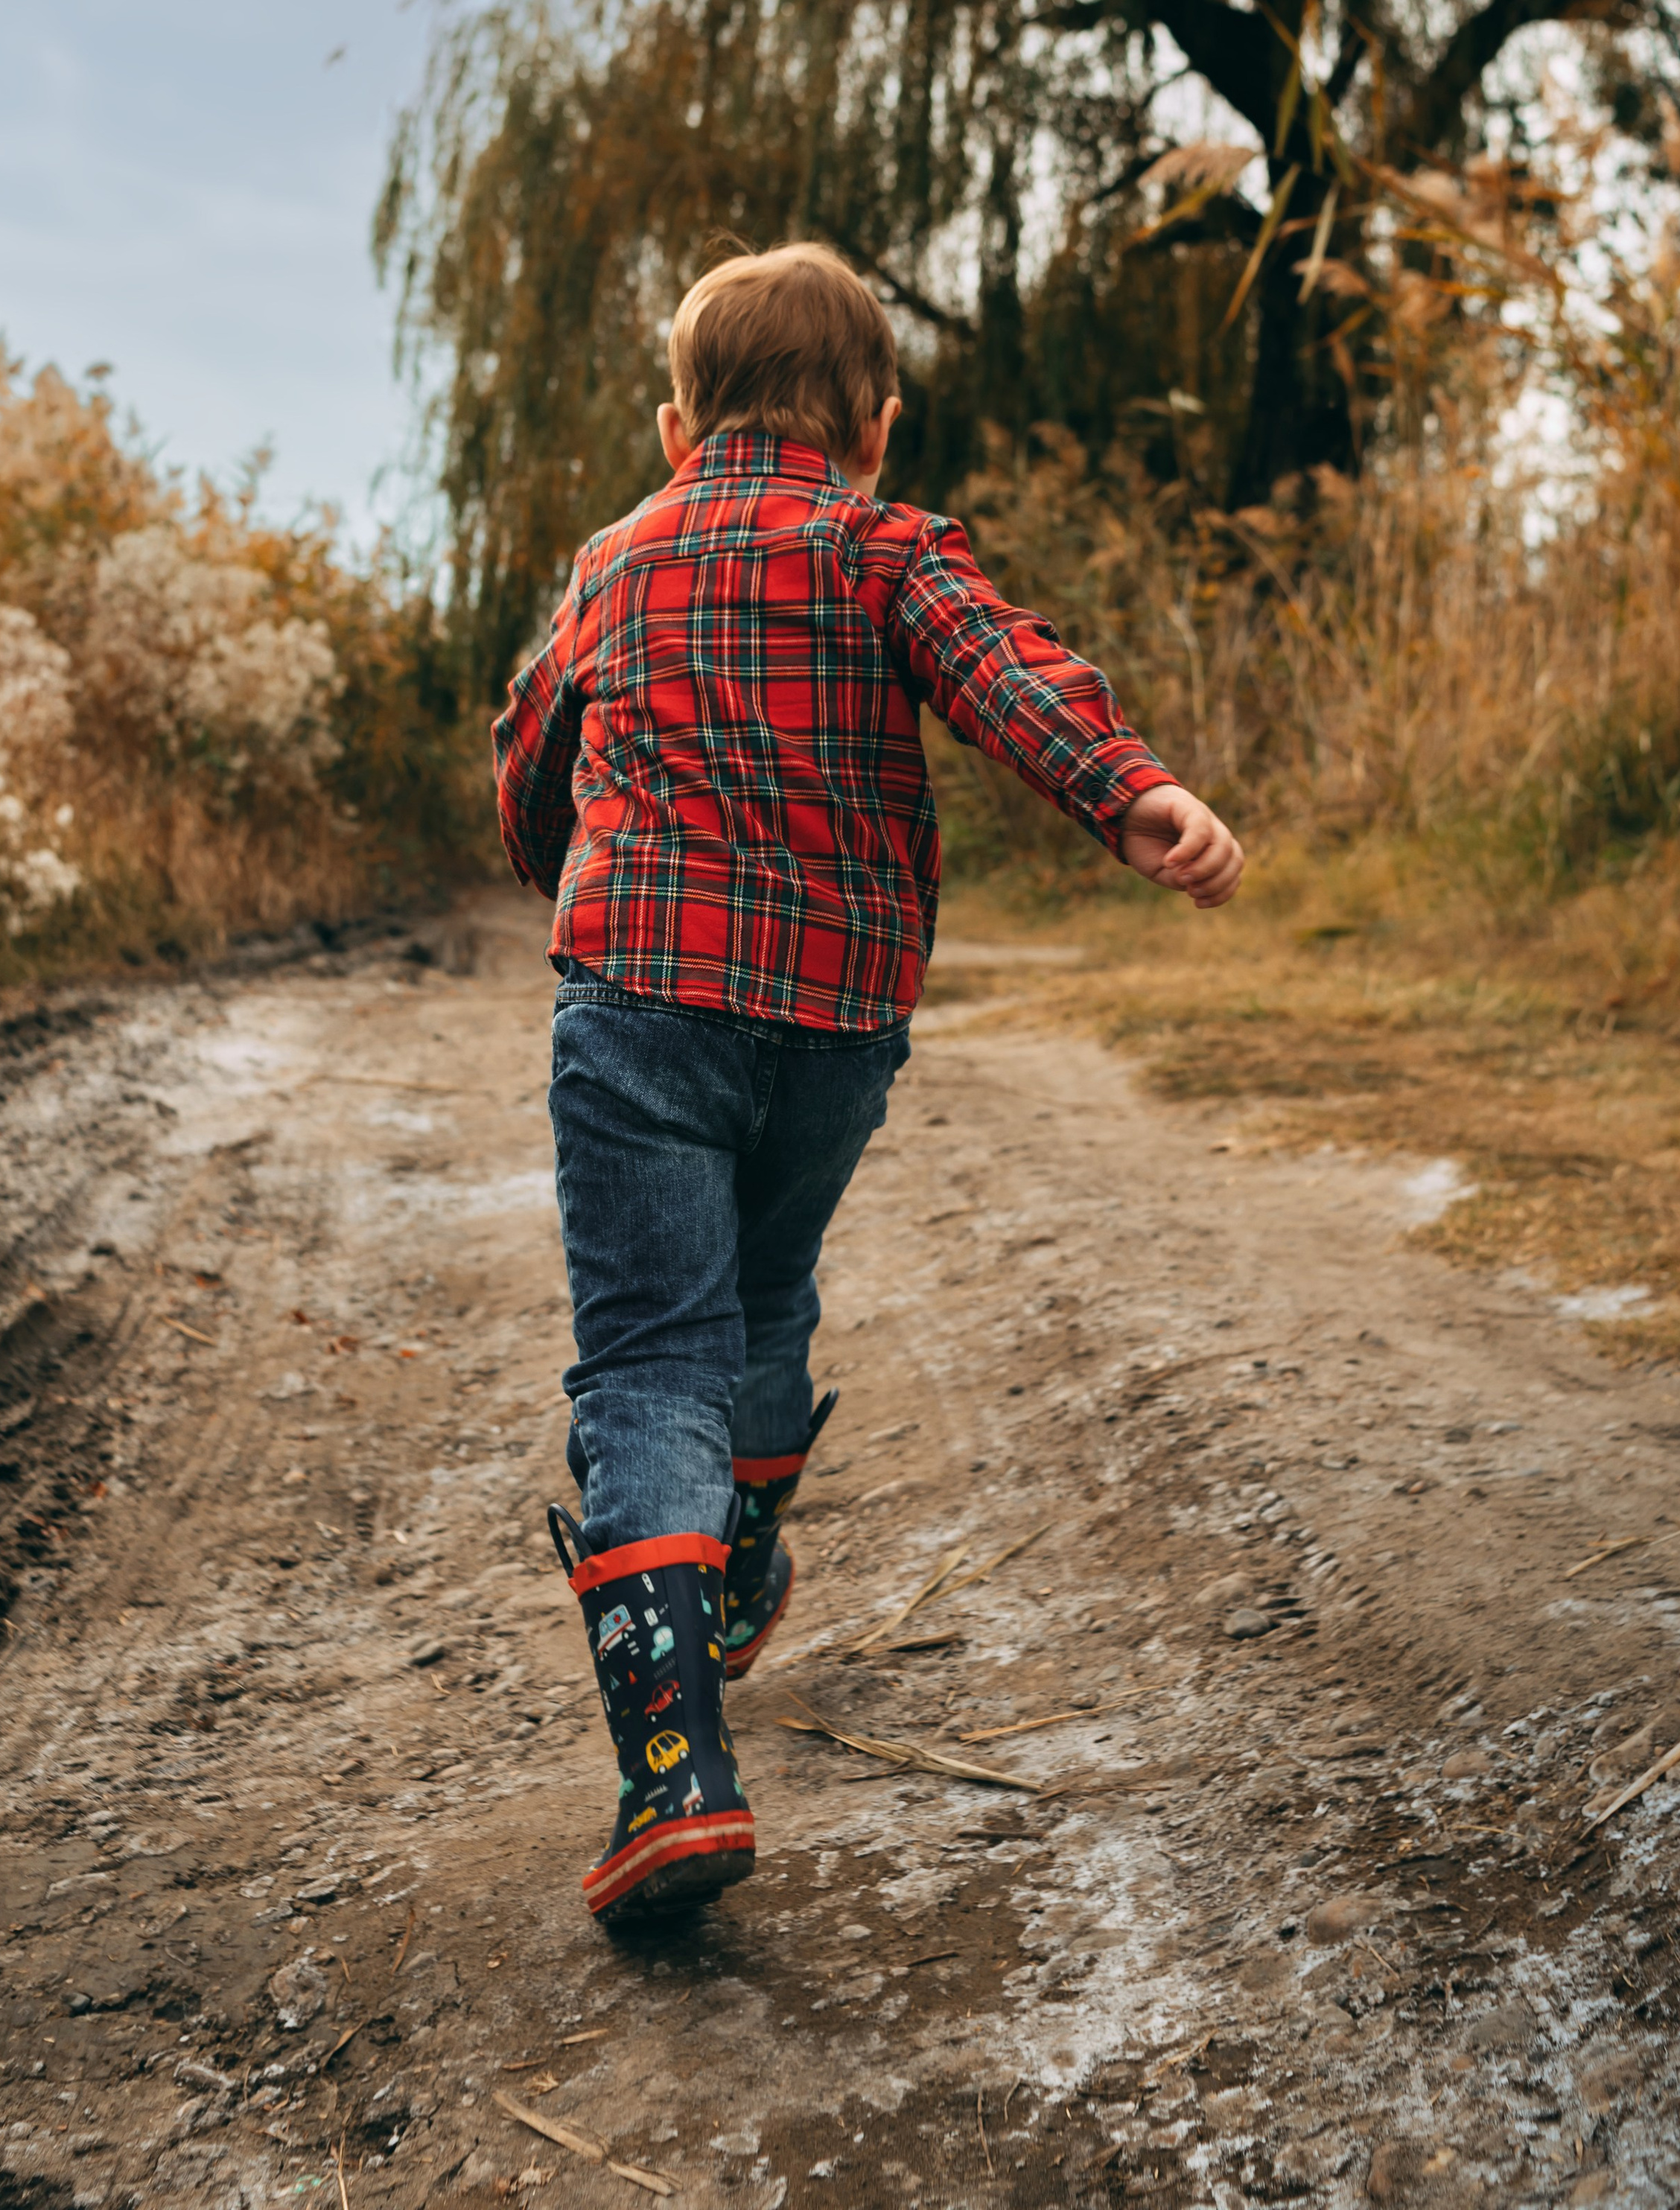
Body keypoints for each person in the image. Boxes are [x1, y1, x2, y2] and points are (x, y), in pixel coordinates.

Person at [491, 242, 1244, 1923]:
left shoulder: (613, 564)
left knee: (646, 1357)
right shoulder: (886, 545)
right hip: (834, 1024)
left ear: (678, 425)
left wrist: (563, 859)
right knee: (763, 1297)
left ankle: (672, 1774)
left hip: (636, 1007)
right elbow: (1001, 670)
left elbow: (531, 761)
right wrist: (1129, 794)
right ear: (877, 427)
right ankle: (742, 1558)